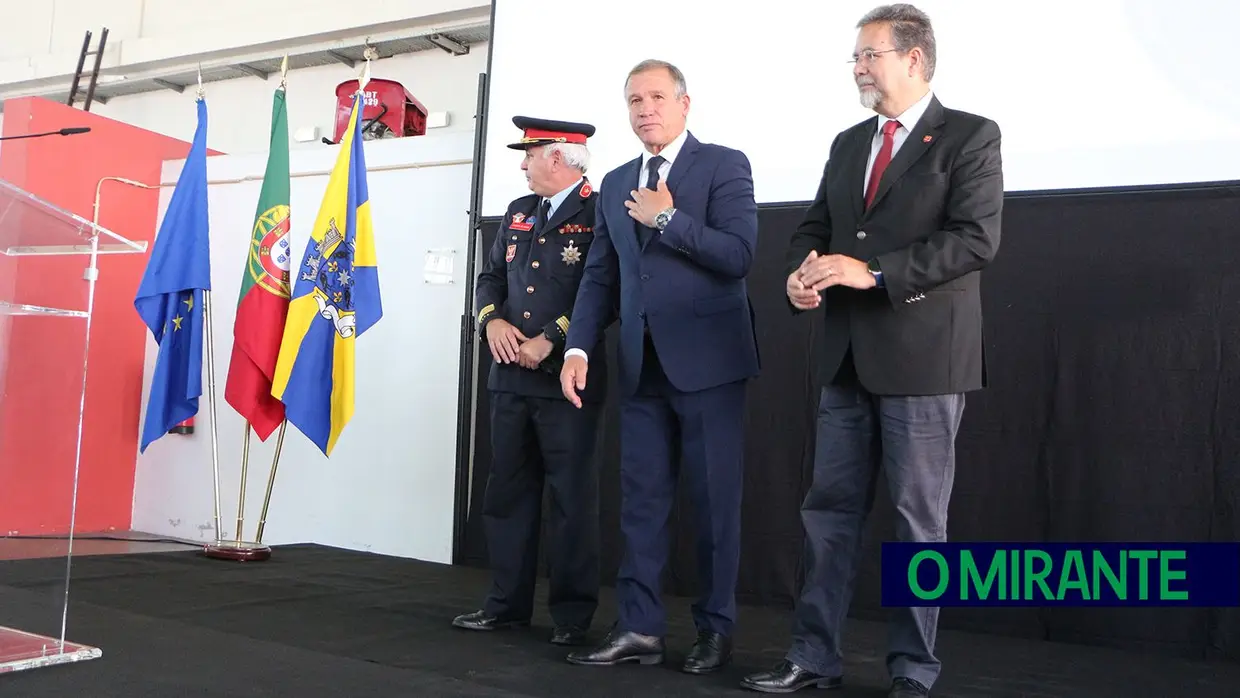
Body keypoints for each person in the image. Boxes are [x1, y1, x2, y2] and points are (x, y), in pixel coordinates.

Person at [739, 5, 1003, 697]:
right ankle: (812, 657)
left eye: (869, 54)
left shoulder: (970, 136)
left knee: (919, 525)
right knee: (827, 516)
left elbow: (975, 239)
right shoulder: (849, 141)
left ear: (914, 58)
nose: (857, 67)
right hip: (845, 359)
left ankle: (914, 672)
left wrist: (875, 272)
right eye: (855, 57)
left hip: (924, 361)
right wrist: (801, 274)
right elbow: (815, 228)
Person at [559, 59, 760, 675]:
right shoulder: (617, 180)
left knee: (713, 505)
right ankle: (640, 629)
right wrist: (578, 347)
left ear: (684, 103)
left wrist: (667, 219)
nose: (644, 109)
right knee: (641, 504)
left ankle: (715, 630)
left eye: (655, 97)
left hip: (710, 365)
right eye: (633, 100)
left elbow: (739, 255)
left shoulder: (724, 164)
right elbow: (600, 275)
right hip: (640, 365)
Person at [452, 116, 609, 648]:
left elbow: (601, 288)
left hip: (565, 380)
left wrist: (553, 338)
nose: (522, 163)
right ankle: (505, 605)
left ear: (560, 157)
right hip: (509, 379)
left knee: (570, 500)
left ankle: (571, 615)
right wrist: (491, 320)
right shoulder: (519, 212)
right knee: (508, 495)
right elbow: (491, 276)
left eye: (531, 153)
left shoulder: (600, 210)